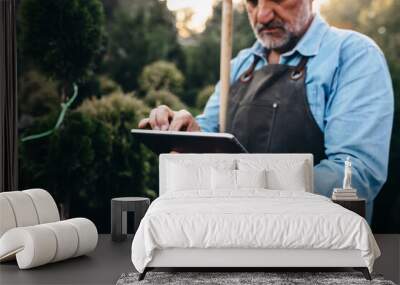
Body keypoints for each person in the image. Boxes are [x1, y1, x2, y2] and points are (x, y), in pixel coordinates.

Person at [138, 0, 394, 223]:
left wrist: (249, 184)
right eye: (252, 1)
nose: (262, 15)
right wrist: (188, 137)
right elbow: (210, 131)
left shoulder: (353, 55)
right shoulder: (240, 65)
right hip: (233, 239)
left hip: (319, 250)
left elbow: (354, 175)